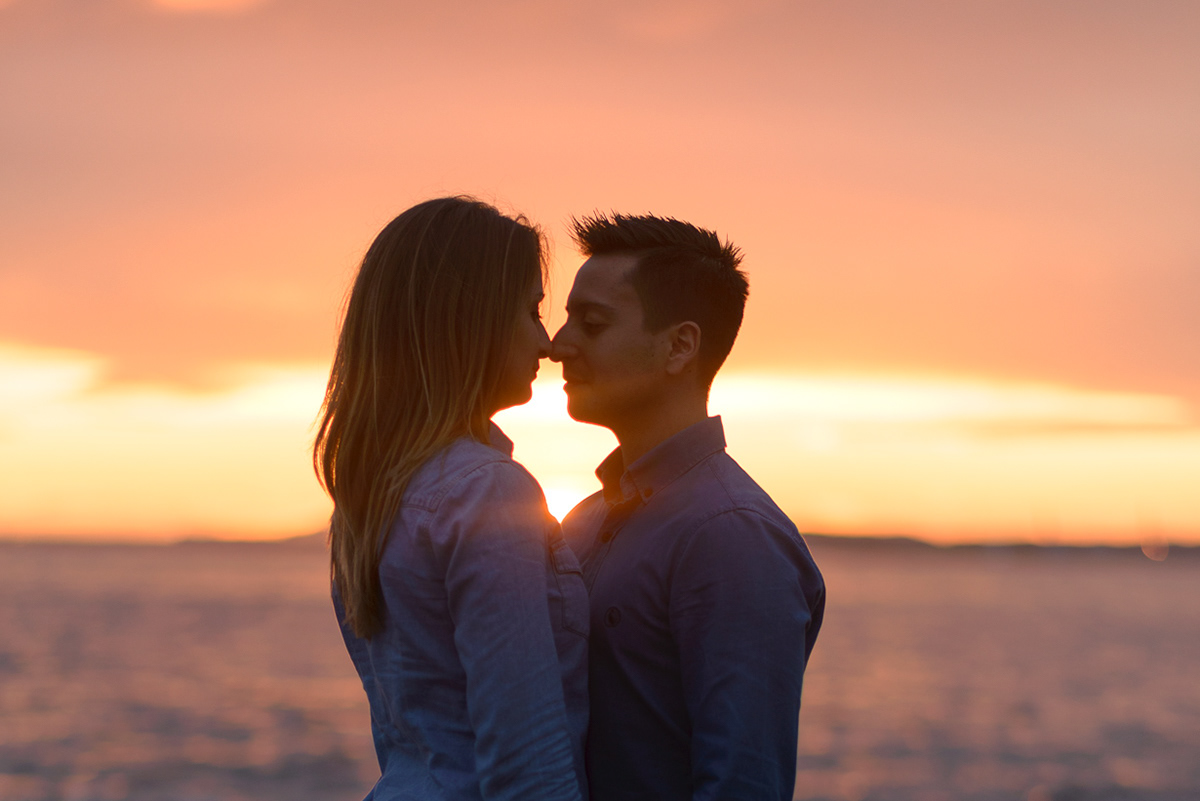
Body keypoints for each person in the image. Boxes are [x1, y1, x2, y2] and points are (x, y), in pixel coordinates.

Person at [313, 197, 589, 801]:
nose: (546, 342)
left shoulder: (373, 498)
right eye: (531, 310)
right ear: (471, 320)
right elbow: (529, 767)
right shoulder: (487, 492)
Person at [551, 213, 826, 801]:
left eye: (591, 324)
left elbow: (743, 783)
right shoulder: (584, 520)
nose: (557, 344)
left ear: (679, 345)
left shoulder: (732, 537)